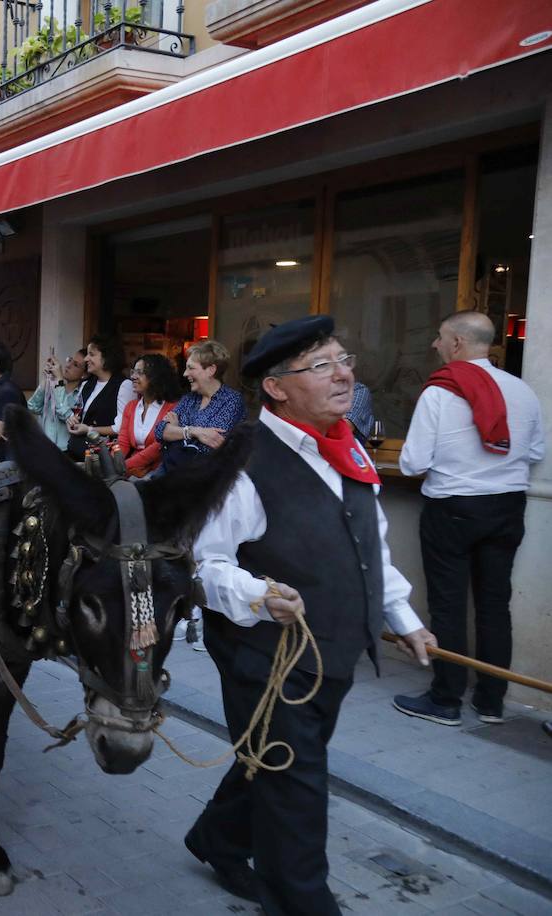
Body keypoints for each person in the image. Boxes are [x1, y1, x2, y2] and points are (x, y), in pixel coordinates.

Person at [187, 315, 437, 913]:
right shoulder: (243, 463)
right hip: (266, 661)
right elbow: (202, 566)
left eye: (343, 358)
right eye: (321, 365)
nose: (344, 372)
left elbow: (370, 549)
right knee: (297, 792)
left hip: (335, 654)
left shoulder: (348, 449)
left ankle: (218, 837)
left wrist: (404, 618)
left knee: (276, 765)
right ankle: (301, 901)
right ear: (276, 387)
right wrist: (257, 596)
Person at [393, 311, 545, 727]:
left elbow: (412, 463)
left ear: (457, 343)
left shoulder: (440, 392)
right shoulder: (522, 391)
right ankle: (491, 701)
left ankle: (445, 700)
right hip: (508, 507)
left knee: (449, 605)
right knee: (496, 605)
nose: (434, 346)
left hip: (454, 509)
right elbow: (534, 453)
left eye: (440, 338)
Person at [155, 339, 246, 474]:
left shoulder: (232, 400)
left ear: (211, 370)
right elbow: (159, 431)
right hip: (173, 475)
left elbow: (208, 449)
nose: (185, 374)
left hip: (205, 482)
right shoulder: (188, 399)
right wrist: (195, 431)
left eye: (191, 368)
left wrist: (177, 430)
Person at [66, 335, 135, 459]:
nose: (86, 359)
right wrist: (72, 420)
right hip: (78, 451)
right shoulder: (86, 384)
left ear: (107, 357)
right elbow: (78, 413)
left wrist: (89, 429)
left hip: (105, 457)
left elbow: (120, 428)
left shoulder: (124, 385)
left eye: (91, 354)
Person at [118, 353, 178, 478]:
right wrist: (113, 463)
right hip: (130, 470)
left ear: (155, 377)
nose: (133, 377)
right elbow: (122, 443)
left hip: (158, 472)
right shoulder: (131, 407)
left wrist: (122, 466)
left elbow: (157, 449)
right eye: (133, 372)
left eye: (140, 373)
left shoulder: (172, 408)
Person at [27, 350, 86, 450]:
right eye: (70, 360)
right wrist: (46, 379)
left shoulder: (81, 395)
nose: (68, 365)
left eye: (75, 365)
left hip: (64, 451)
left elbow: (64, 413)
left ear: (84, 374)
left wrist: (59, 379)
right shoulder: (55, 386)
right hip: (43, 448)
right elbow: (33, 407)